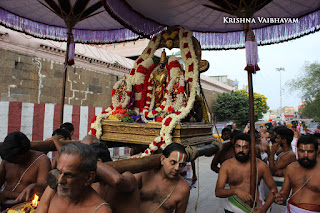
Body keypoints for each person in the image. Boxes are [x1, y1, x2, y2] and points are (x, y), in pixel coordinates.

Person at [36, 143, 111, 213]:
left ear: (88, 178)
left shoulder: (100, 210)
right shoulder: (53, 189)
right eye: (59, 172)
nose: (60, 181)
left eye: (68, 175)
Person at [215, 133, 277, 213]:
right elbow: (218, 192)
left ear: (250, 148)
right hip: (233, 208)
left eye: (245, 147)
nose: (241, 150)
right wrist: (236, 191)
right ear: (234, 147)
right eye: (238, 146)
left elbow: (273, 189)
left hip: (255, 208)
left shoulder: (260, 165)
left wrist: (264, 209)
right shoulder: (226, 166)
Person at [134, 143, 190, 213]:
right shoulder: (145, 174)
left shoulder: (183, 189)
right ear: (163, 159)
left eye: (181, 165)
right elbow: (124, 185)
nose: (177, 168)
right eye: (173, 162)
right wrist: (133, 162)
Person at [0, 132, 51, 208]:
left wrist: (7, 194)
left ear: (25, 152)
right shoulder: (7, 158)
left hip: (27, 207)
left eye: (15, 158)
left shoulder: (42, 160)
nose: (12, 161)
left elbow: (40, 194)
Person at [275, 135, 320, 212]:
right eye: (302, 151)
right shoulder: (291, 168)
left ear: (316, 151)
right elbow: (284, 192)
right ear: (297, 150)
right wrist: (280, 197)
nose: (305, 155)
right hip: (291, 209)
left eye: (310, 151)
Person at [92, 142, 140, 213]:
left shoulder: (128, 176)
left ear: (98, 162)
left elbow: (117, 181)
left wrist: (93, 163)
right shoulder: (94, 184)